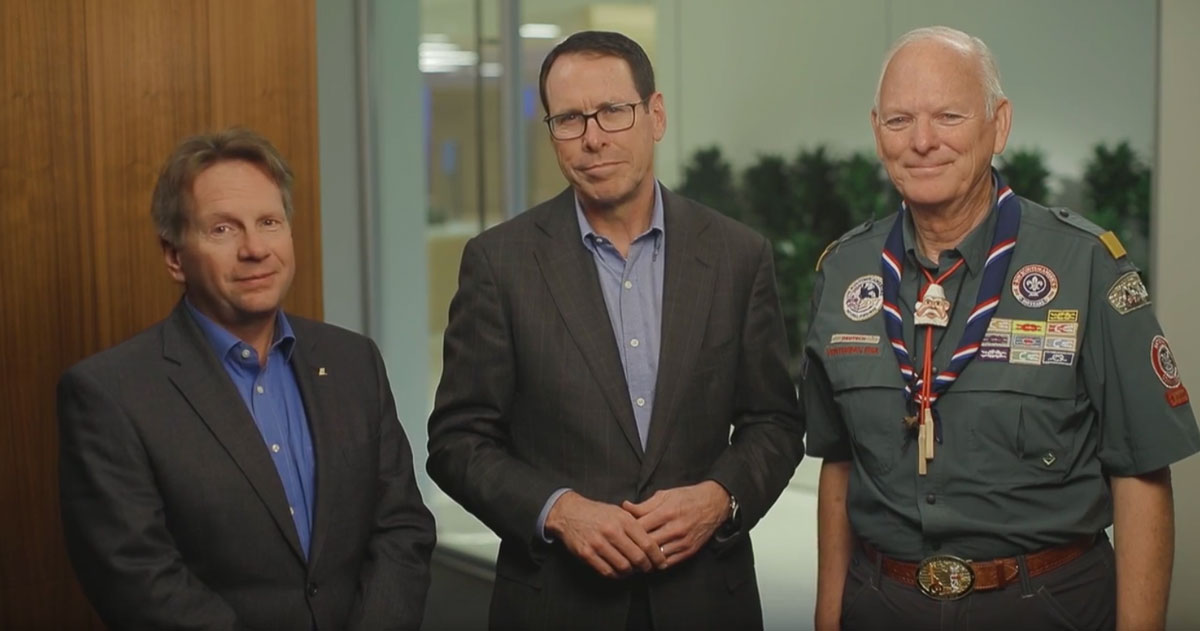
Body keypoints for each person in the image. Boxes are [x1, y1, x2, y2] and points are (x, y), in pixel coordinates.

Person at [804, 26, 1200, 630]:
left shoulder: (1085, 265)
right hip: (883, 604)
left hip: (1047, 605)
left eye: (949, 116)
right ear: (877, 131)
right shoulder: (844, 272)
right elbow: (839, 464)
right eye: (899, 120)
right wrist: (827, 617)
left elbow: (1141, 472)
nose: (923, 141)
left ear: (1000, 125)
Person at [427, 30, 804, 630]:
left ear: (656, 115)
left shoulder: (736, 256)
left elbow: (775, 423)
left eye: (612, 111)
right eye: (569, 120)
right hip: (557, 604)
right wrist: (558, 511)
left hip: (706, 601)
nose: (593, 137)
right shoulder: (500, 264)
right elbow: (457, 441)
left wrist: (719, 498)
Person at [58, 128, 436, 630]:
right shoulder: (110, 394)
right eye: (223, 229)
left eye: (269, 222)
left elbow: (401, 528)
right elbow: (136, 579)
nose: (255, 248)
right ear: (174, 256)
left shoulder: (353, 361)